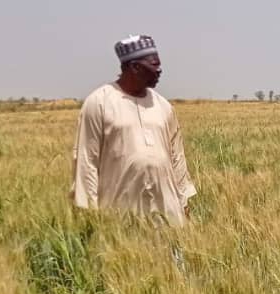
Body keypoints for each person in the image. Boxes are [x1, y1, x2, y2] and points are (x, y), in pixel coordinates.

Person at [71, 35, 197, 226]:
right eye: (154, 65)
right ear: (135, 67)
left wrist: (184, 202)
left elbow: (177, 158)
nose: (160, 70)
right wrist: (90, 214)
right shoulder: (99, 102)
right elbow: (87, 161)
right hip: (119, 214)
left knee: (171, 255)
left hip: (168, 213)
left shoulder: (163, 106)